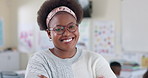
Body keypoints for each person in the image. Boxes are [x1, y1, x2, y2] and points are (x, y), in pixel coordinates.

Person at [25, 0, 117, 78]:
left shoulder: (95, 61)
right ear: (49, 33)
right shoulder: (39, 60)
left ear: (77, 28)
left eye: (71, 26)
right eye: (59, 29)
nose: (67, 33)